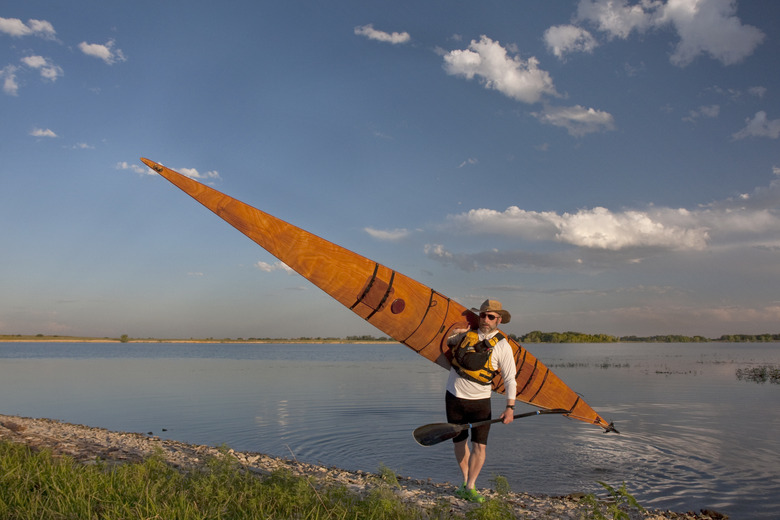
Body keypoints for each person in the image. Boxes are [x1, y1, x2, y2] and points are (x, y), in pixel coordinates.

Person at [445, 299, 517, 503]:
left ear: (499, 320)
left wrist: (510, 407)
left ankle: (471, 485)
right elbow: (446, 344)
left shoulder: (503, 346)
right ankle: (466, 481)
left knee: (480, 446)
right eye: (483, 315)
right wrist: (455, 333)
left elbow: (510, 378)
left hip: (480, 401)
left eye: (491, 316)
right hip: (454, 397)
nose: (486, 319)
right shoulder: (464, 335)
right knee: (459, 442)